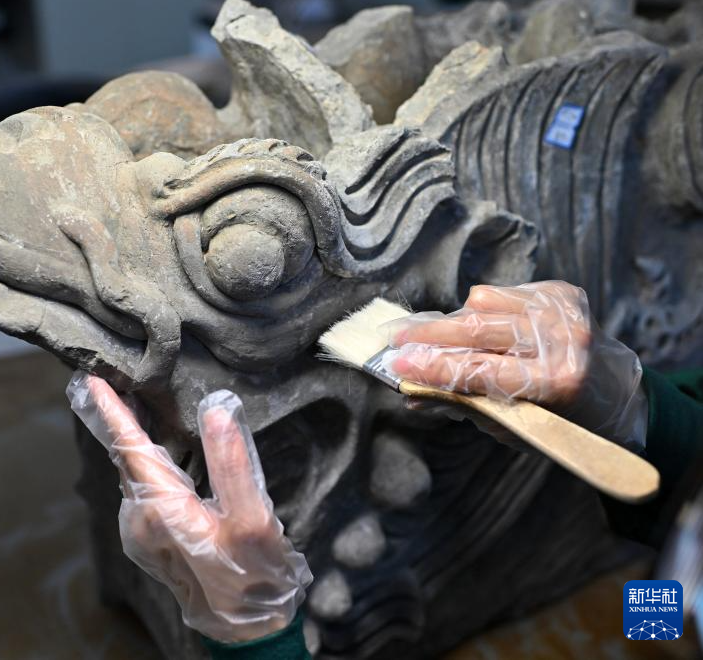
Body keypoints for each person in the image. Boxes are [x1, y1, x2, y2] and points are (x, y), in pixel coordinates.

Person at [67, 281, 703, 659]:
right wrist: (642, 409)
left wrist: (255, 639)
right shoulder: (666, 594)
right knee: (653, 619)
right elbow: (670, 590)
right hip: (660, 594)